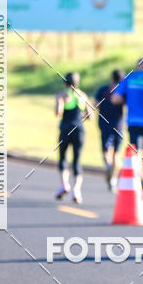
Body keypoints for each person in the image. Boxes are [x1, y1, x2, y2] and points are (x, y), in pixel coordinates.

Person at [110, 57, 143, 200]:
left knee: (135, 154)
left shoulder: (129, 79)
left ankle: (137, 181)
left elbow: (115, 98)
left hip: (133, 121)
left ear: (137, 66)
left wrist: (128, 98)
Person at [55, 72, 91, 204]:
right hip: (79, 130)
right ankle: (77, 190)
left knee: (63, 158)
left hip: (65, 129)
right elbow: (90, 116)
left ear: (65, 82)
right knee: (77, 160)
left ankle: (65, 184)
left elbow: (58, 112)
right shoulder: (83, 95)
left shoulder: (62, 95)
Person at [94, 69, 125, 192]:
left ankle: (107, 165)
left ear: (112, 78)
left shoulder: (102, 90)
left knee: (106, 150)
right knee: (117, 153)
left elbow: (95, 104)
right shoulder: (122, 92)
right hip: (118, 124)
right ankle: (113, 180)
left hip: (104, 123)